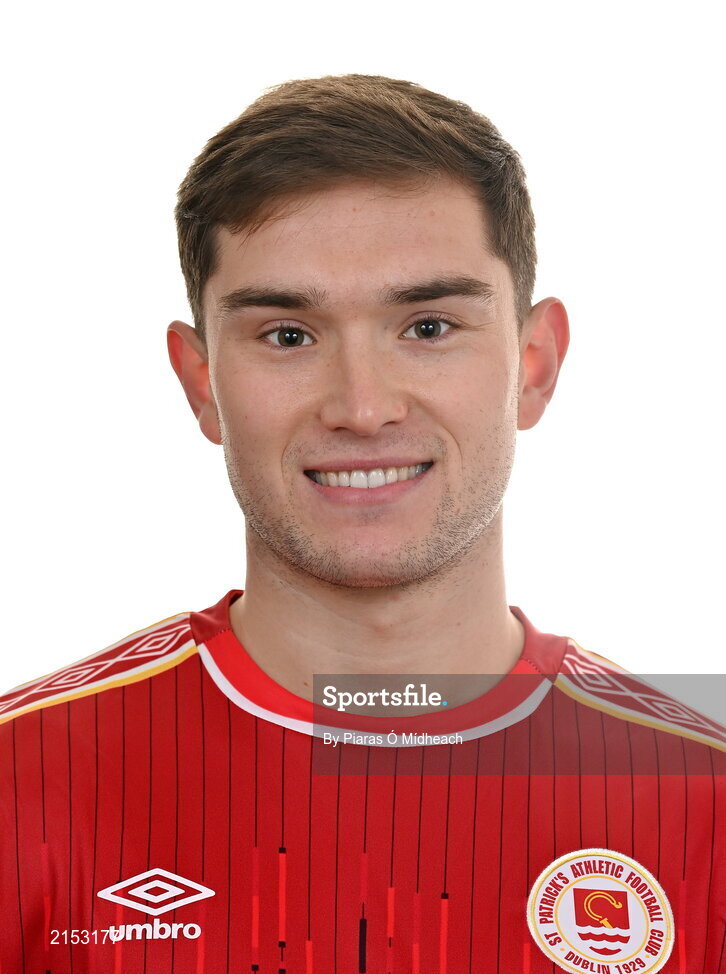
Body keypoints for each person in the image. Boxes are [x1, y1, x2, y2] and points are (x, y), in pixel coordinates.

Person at [0, 74, 723, 974]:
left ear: (533, 365)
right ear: (201, 382)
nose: (363, 407)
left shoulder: (706, 796)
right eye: (288, 336)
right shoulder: (16, 784)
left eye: (426, 325)